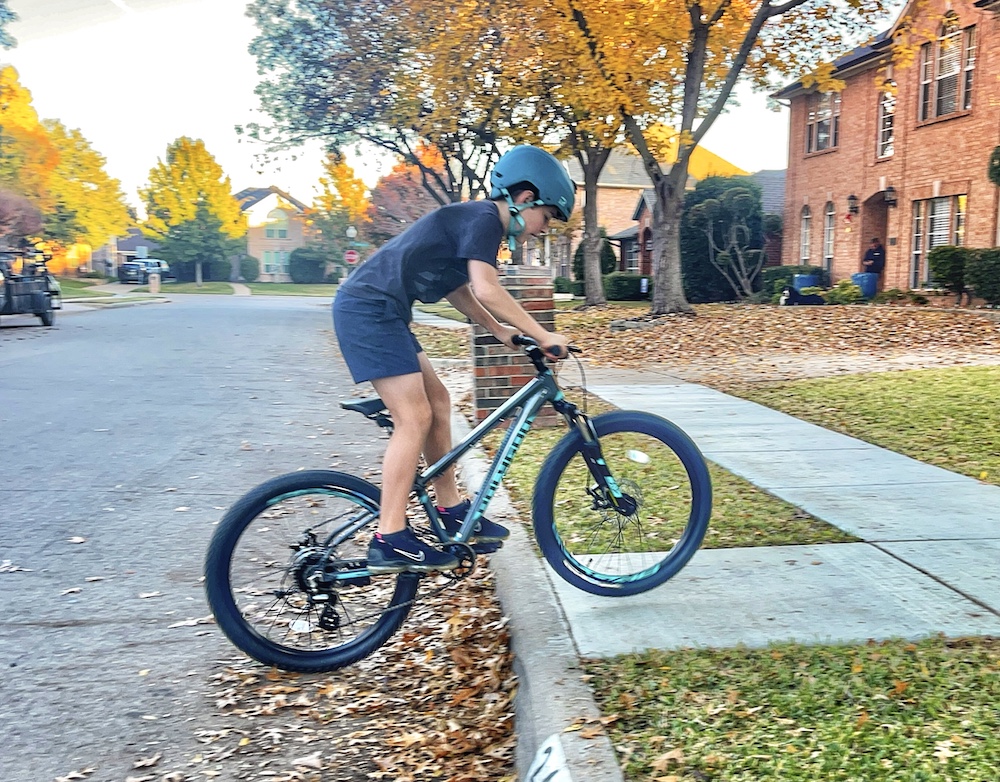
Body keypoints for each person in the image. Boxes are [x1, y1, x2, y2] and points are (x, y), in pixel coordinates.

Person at [332, 145, 574, 574]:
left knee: (439, 403)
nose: (544, 228)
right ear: (525, 198)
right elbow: (487, 288)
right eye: (548, 216)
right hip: (368, 310)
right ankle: (390, 537)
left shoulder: (475, 224)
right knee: (414, 417)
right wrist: (543, 334)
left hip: (383, 311)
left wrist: (498, 330)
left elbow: (457, 288)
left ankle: (451, 510)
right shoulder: (485, 219)